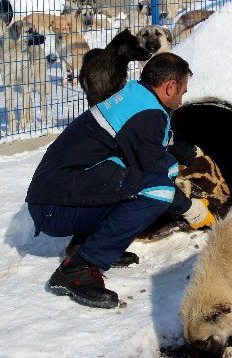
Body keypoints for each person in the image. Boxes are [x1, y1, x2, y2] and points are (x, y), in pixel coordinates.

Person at [25, 52, 215, 309]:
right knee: (158, 191)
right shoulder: (145, 115)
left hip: (59, 194)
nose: (182, 99)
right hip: (55, 209)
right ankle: (81, 267)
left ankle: (88, 244)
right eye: (182, 91)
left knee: (153, 173)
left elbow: (151, 147)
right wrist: (192, 210)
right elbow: (156, 174)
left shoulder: (137, 97)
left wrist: (183, 150)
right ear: (170, 87)